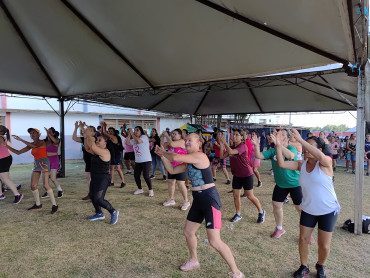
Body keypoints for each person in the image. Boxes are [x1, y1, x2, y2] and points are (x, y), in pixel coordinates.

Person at [155, 133, 245, 278]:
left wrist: (163, 151)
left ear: (199, 144)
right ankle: (194, 260)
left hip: (210, 200)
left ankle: (237, 273)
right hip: (198, 200)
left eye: (190, 140)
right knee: (188, 232)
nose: (187, 142)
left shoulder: (200, 156)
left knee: (214, 241)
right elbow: (172, 170)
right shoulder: (189, 162)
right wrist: (163, 156)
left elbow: (176, 157)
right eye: (186, 140)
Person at [275, 129, 340, 278]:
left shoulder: (326, 163)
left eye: (310, 146)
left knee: (324, 245)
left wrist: (301, 140)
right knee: (303, 239)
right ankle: (304, 266)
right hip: (309, 209)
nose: (305, 149)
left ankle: (320, 265)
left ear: (320, 149)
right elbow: (281, 163)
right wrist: (278, 146)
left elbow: (320, 157)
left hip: (328, 210)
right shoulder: (301, 165)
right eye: (304, 146)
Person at [252, 128, 304, 239]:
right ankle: (279, 228)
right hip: (281, 184)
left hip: (295, 183)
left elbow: (290, 156)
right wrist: (256, 145)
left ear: (287, 138)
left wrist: (279, 144)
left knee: (299, 208)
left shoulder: (292, 148)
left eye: (281, 135)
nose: (277, 136)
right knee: (276, 205)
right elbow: (259, 156)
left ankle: (306, 232)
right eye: (276, 134)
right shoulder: (273, 150)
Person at [5, 128, 58, 213]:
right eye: (31, 133)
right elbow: (18, 152)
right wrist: (6, 146)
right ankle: (38, 204)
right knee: (33, 186)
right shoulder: (30, 144)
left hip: (44, 162)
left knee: (46, 185)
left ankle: (54, 205)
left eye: (34, 133)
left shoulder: (41, 142)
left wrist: (21, 139)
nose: (32, 134)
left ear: (38, 134)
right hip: (37, 163)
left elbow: (34, 146)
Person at [219, 129, 265, 224]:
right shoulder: (231, 147)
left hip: (247, 175)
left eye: (237, 135)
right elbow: (222, 156)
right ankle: (238, 213)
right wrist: (222, 145)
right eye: (233, 134)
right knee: (236, 196)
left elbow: (231, 152)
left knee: (250, 196)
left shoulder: (242, 146)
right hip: (237, 175)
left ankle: (261, 212)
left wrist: (224, 143)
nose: (234, 136)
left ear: (241, 137)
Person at [83, 126, 119, 224]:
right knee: (92, 196)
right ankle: (99, 213)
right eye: (97, 140)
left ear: (105, 143)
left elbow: (92, 146)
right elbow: (87, 148)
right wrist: (86, 137)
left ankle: (113, 211)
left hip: (103, 178)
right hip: (95, 177)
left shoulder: (105, 152)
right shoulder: (97, 151)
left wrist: (89, 134)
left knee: (99, 199)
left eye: (99, 140)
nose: (97, 141)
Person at [161, 129, 190, 210]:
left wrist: (167, 135)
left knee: (180, 183)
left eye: (175, 134)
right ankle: (171, 199)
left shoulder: (182, 142)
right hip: (171, 166)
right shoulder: (170, 142)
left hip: (181, 165)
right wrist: (163, 137)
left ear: (180, 136)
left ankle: (186, 201)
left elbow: (173, 144)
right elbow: (162, 146)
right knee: (170, 182)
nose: (173, 135)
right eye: (172, 134)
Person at [126, 126, 153, 196]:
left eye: (137, 130)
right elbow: (127, 143)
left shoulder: (144, 137)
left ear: (141, 131)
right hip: (138, 160)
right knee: (136, 175)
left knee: (146, 176)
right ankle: (140, 189)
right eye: (134, 130)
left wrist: (132, 133)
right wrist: (129, 134)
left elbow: (138, 141)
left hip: (146, 160)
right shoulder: (134, 139)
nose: (135, 131)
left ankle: (150, 190)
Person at [0, 125, 23, 204]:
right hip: (3, 159)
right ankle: (1, 194)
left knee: (4, 178)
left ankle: (18, 195)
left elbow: (2, 144)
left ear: (2, 132)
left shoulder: (0, 137)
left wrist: (3, 143)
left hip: (4, 159)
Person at [72, 121, 95, 200]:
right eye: (87, 129)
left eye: (90, 130)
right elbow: (74, 138)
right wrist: (76, 128)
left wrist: (82, 128)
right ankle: (91, 193)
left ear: (94, 133)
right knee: (88, 178)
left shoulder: (94, 139)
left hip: (94, 161)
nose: (88, 130)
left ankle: (95, 194)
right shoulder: (85, 138)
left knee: (94, 178)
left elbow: (88, 144)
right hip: (88, 161)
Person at [100, 122, 125, 188]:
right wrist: (103, 127)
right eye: (109, 131)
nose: (110, 132)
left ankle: (123, 182)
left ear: (114, 132)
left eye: (111, 131)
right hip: (112, 155)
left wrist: (103, 126)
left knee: (118, 168)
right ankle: (112, 181)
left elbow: (105, 133)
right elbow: (103, 133)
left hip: (116, 155)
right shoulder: (109, 138)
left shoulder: (115, 138)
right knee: (111, 168)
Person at [41, 127, 63, 199]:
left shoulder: (56, 140)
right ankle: (48, 191)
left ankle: (60, 190)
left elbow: (55, 150)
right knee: (45, 178)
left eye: (50, 132)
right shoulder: (44, 141)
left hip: (54, 160)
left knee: (53, 178)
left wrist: (48, 134)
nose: (48, 133)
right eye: (48, 132)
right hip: (46, 161)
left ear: (53, 133)